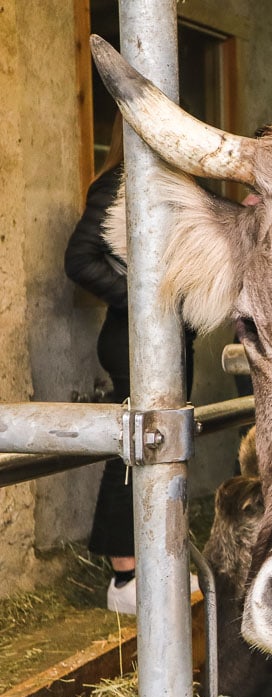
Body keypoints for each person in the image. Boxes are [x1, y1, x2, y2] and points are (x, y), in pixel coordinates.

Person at [64, 115, 197, 613]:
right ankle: (126, 579)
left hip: (165, 342)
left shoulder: (166, 185)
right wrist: (144, 301)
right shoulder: (119, 183)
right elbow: (79, 259)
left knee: (163, 445)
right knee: (135, 449)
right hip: (132, 342)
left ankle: (155, 567)